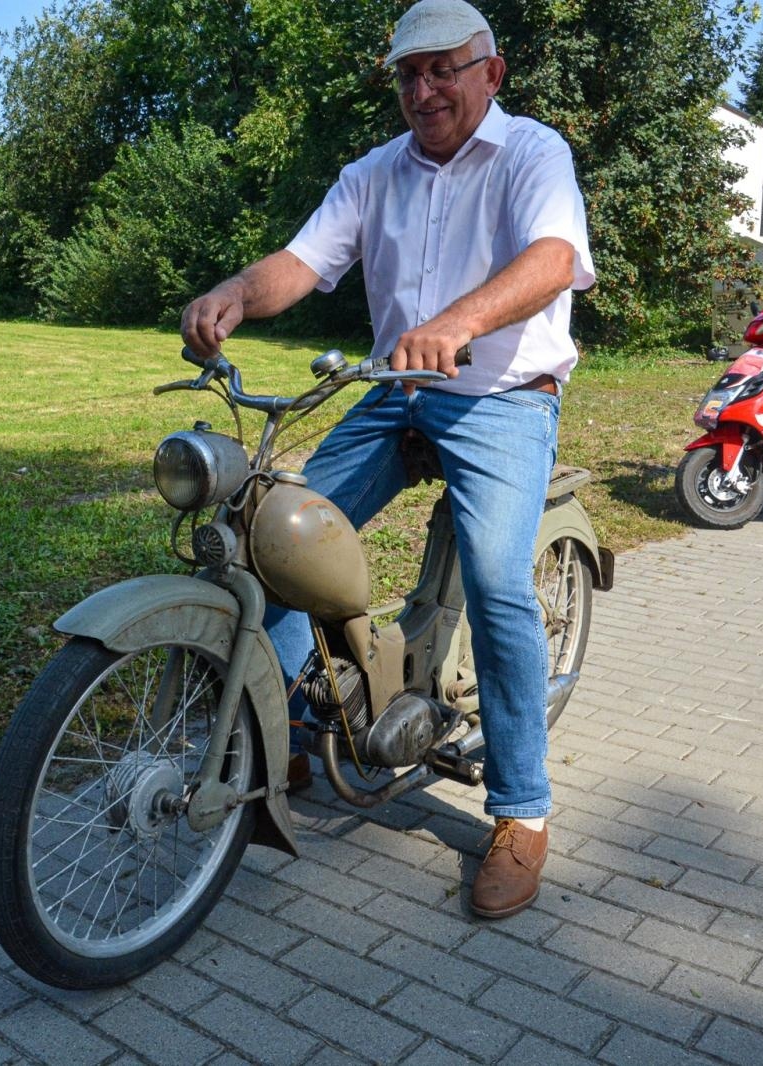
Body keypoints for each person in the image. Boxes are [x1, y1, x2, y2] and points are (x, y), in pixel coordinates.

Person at [181, 0, 595, 919]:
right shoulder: (375, 173)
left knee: (495, 581)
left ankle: (522, 811)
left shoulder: (534, 153)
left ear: (491, 71)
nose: (424, 88)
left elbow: (554, 258)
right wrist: (235, 294)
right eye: (409, 74)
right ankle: (272, 736)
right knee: (277, 539)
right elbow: (302, 260)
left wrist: (456, 324)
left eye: (444, 68)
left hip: (501, 398)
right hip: (396, 390)